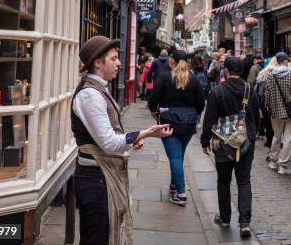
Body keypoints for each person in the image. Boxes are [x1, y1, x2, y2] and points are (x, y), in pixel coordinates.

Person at [72, 36, 172, 244]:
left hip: (102, 176)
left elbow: (106, 137)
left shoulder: (99, 89)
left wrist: (129, 141)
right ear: (98, 63)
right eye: (114, 58)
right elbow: (108, 143)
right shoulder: (90, 94)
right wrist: (145, 133)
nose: (119, 63)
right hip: (96, 179)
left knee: (105, 235)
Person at [201, 57, 260, 239]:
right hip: (246, 141)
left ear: (226, 71)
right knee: (244, 181)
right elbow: (256, 117)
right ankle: (244, 223)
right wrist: (251, 135)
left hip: (223, 142)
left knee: (223, 181)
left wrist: (205, 141)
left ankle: (225, 217)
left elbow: (209, 119)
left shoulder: (218, 91)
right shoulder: (250, 90)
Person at [149, 50, 205, 206]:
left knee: (175, 157)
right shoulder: (193, 80)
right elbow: (201, 103)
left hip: (168, 121)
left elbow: (153, 99)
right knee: (179, 155)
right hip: (188, 123)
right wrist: (193, 114)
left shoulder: (165, 77)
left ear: (172, 61)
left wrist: (154, 112)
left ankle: (181, 194)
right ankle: (174, 185)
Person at [265, 52, 291, 175]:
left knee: (277, 136)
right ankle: (283, 164)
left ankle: (272, 160)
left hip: (276, 111)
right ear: (286, 61)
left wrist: (269, 109)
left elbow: (267, 96)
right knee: (289, 138)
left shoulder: (270, 76)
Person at [255, 56, 277, 148]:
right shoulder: (277, 72)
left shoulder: (262, 73)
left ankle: (269, 141)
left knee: (267, 124)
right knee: (275, 125)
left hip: (263, 103)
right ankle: (273, 144)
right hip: (275, 103)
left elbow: (259, 91)